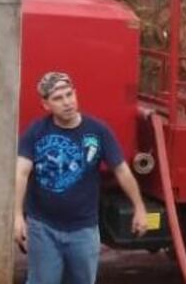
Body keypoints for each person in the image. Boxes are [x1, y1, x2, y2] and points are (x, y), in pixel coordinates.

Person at [15, 71, 148, 284]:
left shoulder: (98, 131)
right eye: (58, 98)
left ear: (76, 94)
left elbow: (122, 170)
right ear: (46, 105)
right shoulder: (36, 131)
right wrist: (17, 216)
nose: (67, 102)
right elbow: (20, 172)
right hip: (43, 228)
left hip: (83, 229)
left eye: (69, 95)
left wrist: (139, 208)